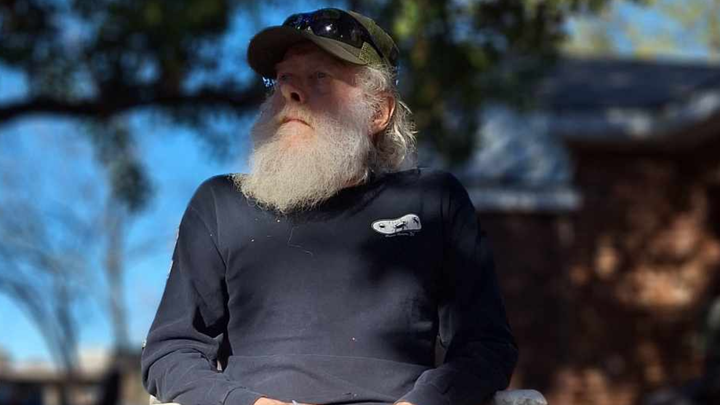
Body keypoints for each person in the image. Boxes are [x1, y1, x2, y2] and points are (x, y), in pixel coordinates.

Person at [141, 8, 518, 405]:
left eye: (320, 76)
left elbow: (487, 346)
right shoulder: (221, 204)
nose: (292, 92)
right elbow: (170, 353)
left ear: (378, 111)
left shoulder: (432, 201)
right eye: (284, 78)